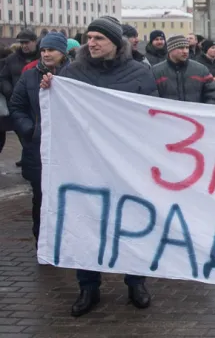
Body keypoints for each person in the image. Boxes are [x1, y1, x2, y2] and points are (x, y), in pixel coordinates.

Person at [40, 16, 158, 316]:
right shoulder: (73, 72)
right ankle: (88, 287)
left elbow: (154, 116)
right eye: (89, 38)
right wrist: (50, 89)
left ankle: (135, 282)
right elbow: (59, 116)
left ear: (115, 43)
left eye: (98, 38)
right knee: (86, 221)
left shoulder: (139, 73)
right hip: (85, 165)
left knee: (131, 221)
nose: (90, 43)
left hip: (127, 165)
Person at [9, 32, 69, 242]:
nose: (46, 54)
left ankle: (65, 239)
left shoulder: (74, 75)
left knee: (66, 197)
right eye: (43, 50)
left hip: (68, 149)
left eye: (51, 50)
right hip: (38, 147)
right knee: (41, 198)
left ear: (62, 52)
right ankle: (43, 241)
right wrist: (30, 130)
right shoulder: (29, 76)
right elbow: (17, 106)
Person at [1, 29, 39, 167]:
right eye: (22, 43)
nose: (24, 45)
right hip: (17, 103)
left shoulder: (42, 57)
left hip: (36, 103)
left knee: (33, 135)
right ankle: (28, 160)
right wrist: (9, 91)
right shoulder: (11, 60)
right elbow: (3, 78)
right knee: (22, 133)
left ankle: (31, 161)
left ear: (35, 41)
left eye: (27, 42)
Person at [152, 35, 215, 104]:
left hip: (194, 113)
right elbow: (151, 97)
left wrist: (206, 109)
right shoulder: (156, 72)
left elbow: (212, 93)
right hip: (166, 114)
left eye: (187, 48)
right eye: (181, 48)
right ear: (170, 50)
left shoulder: (201, 70)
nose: (185, 51)